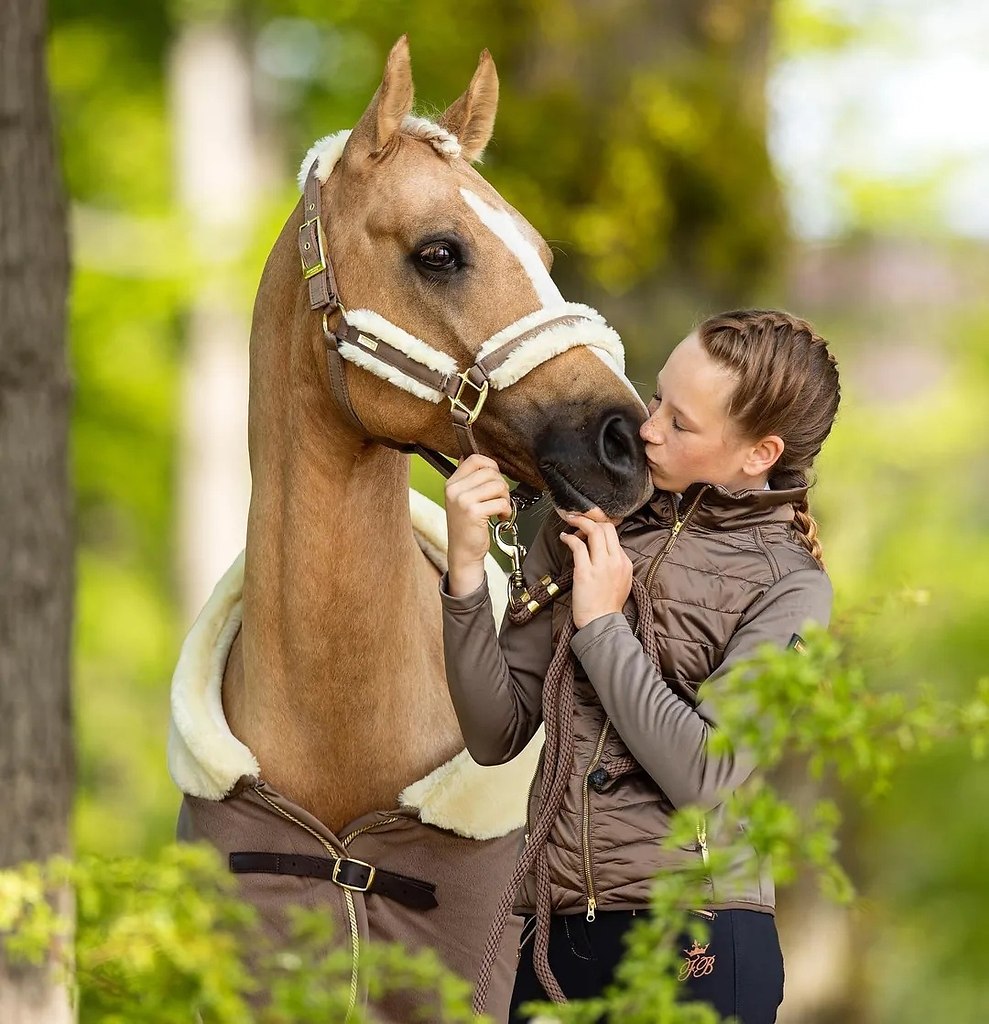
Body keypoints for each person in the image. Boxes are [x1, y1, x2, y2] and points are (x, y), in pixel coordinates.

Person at [440, 309, 841, 1023]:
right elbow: (494, 732)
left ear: (758, 453)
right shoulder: (588, 523)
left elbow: (704, 773)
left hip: (698, 936)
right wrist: (466, 572)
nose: (648, 428)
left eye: (681, 424)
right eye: (657, 398)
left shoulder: (792, 586)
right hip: (555, 934)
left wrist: (600, 625)